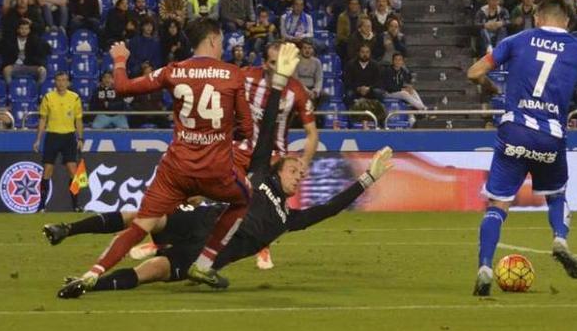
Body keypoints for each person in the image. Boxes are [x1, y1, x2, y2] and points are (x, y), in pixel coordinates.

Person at [45, 50, 394, 294]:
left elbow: (330, 208)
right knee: (141, 217)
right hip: (200, 223)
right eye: (295, 167)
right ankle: (67, 228)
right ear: (279, 165)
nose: (299, 174)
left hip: (203, 254)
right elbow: (268, 128)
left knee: (150, 274)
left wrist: (369, 178)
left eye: (301, 173)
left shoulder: (288, 218)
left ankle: (86, 284)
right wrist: (279, 84)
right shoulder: (259, 173)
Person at [57, 18, 254, 297]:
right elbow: (246, 129)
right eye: (221, 42)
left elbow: (123, 88)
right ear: (212, 39)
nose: (222, 47)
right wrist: (219, 132)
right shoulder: (233, 74)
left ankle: (92, 274)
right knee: (243, 198)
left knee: (140, 226)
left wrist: (121, 60)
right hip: (215, 170)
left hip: (176, 169)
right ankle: (205, 262)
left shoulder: (173, 70)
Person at [467, 0, 577, 296]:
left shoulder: (517, 40)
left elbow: (474, 72)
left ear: (537, 17)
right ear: (567, 21)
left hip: (514, 133)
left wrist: (490, 87)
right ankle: (560, 239)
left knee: (497, 205)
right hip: (550, 137)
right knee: (556, 194)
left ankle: (485, 267)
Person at [33, 71, 85, 212]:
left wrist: (80, 138)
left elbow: (78, 120)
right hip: (52, 136)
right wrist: (38, 139)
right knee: (47, 171)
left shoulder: (74, 98)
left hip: (68, 137)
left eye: (64, 80)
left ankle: (76, 205)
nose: (61, 83)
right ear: (55, 82)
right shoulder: (48, 98)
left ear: (68, 82)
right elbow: (43, 119)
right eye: (59, 80)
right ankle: (41, 205)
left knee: (73, 171)